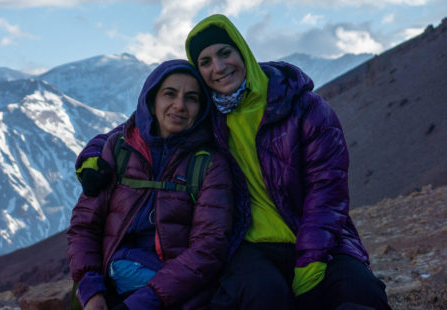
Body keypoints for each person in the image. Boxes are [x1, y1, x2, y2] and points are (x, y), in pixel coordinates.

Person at [182, 14, 391, 310]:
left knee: (361, 292)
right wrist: (93, 157)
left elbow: (327, 188)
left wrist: (311, 261)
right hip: (248, 246)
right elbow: (147, 121)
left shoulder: (303, 106)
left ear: (242, 50)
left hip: (317, 235)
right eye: (205, 62)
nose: (218, 67)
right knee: (266, 297)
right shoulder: (206, 119)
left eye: (225, 52)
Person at [67, 59, 233, 310]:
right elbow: (85, 225)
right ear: (152, 99)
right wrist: (91, 290)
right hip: (110, 281)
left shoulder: (209, 164)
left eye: (191, 98)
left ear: (201, 108)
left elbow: (208, 247)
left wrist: (142, 303)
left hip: (173, 288)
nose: (179, 105)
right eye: (170, 94)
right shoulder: (119, 149)